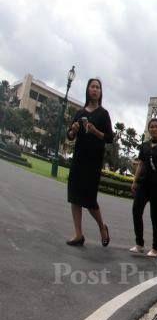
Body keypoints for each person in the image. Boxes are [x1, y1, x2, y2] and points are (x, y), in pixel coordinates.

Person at [65, 78, 114, 247]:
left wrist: (95, 131)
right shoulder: (79, 113)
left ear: (100, 92)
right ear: (87, 90)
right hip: (78, 159)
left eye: (97, 87)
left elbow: (110, 138)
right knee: (74, 197)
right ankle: (78, 234)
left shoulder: (103, 114)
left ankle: (102, 227)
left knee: (90, 199)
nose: (94, 89)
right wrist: (73, 130)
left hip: (93, 162)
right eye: (92, 87)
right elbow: (70, 135)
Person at [130, 118, 157, 258]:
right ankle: (139, 244)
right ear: (149, 129)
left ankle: (155, 248)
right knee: (136, 211)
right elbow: (141, 164)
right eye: (151, 127)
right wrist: (134, 181)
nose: (154, 129)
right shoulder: (144, 146)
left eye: (156, 126)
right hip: (143, 184)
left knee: (155, 217)